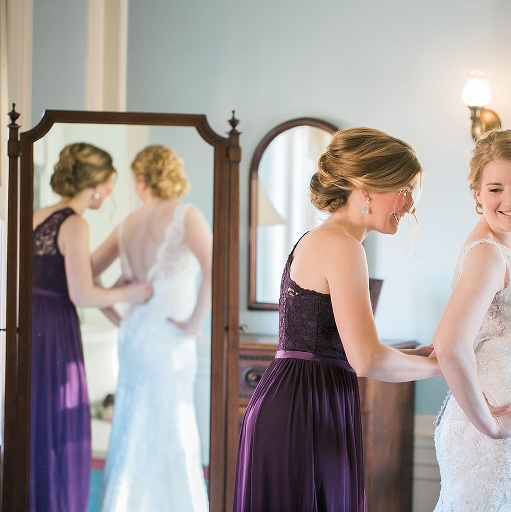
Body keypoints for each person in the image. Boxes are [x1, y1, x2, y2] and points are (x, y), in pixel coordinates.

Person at [233, 127, 441, 511]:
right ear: (367, 188)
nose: (410, 204)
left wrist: (422, 355)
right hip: (304, 410)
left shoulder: (323, 239)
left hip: (302, 400)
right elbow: (367, 359)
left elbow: (339, 345)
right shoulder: (343, 247)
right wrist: (441, 366)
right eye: (405, 189)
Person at [432, 129, 511, 511]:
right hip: (494, 440)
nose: (509, 200)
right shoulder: (488, 255)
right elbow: (448, 345)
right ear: (477, 194)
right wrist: (490, 423)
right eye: (494, 189)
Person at [31, 142, 153, 512]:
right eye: (111, 184)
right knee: (59, 418)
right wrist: (133, 292)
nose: (111, 192)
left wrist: (111, 295)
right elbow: (82, 294)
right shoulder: (75, 223)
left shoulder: (36, 215)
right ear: (97, 185)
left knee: (37, 418)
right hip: (54, 328)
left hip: (31, 321)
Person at [93, 145, 212, 512]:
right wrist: (194, 323)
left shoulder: (127, 223)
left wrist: (118, 314)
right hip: (170, 337)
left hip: (135, 333)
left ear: (141, 180)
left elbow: (89, 271)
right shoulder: (185, 215)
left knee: (133, 419)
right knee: (171, 419)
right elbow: (214, 268)